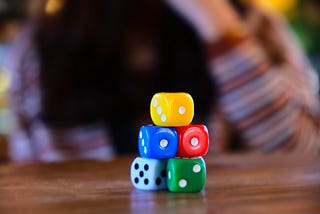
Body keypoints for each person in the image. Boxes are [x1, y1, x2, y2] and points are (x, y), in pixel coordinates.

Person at [5, 0, 320, 162]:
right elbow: (34, 170)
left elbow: (305, 153)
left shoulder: (257, 24)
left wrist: (217, 26)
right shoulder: (45, 42)